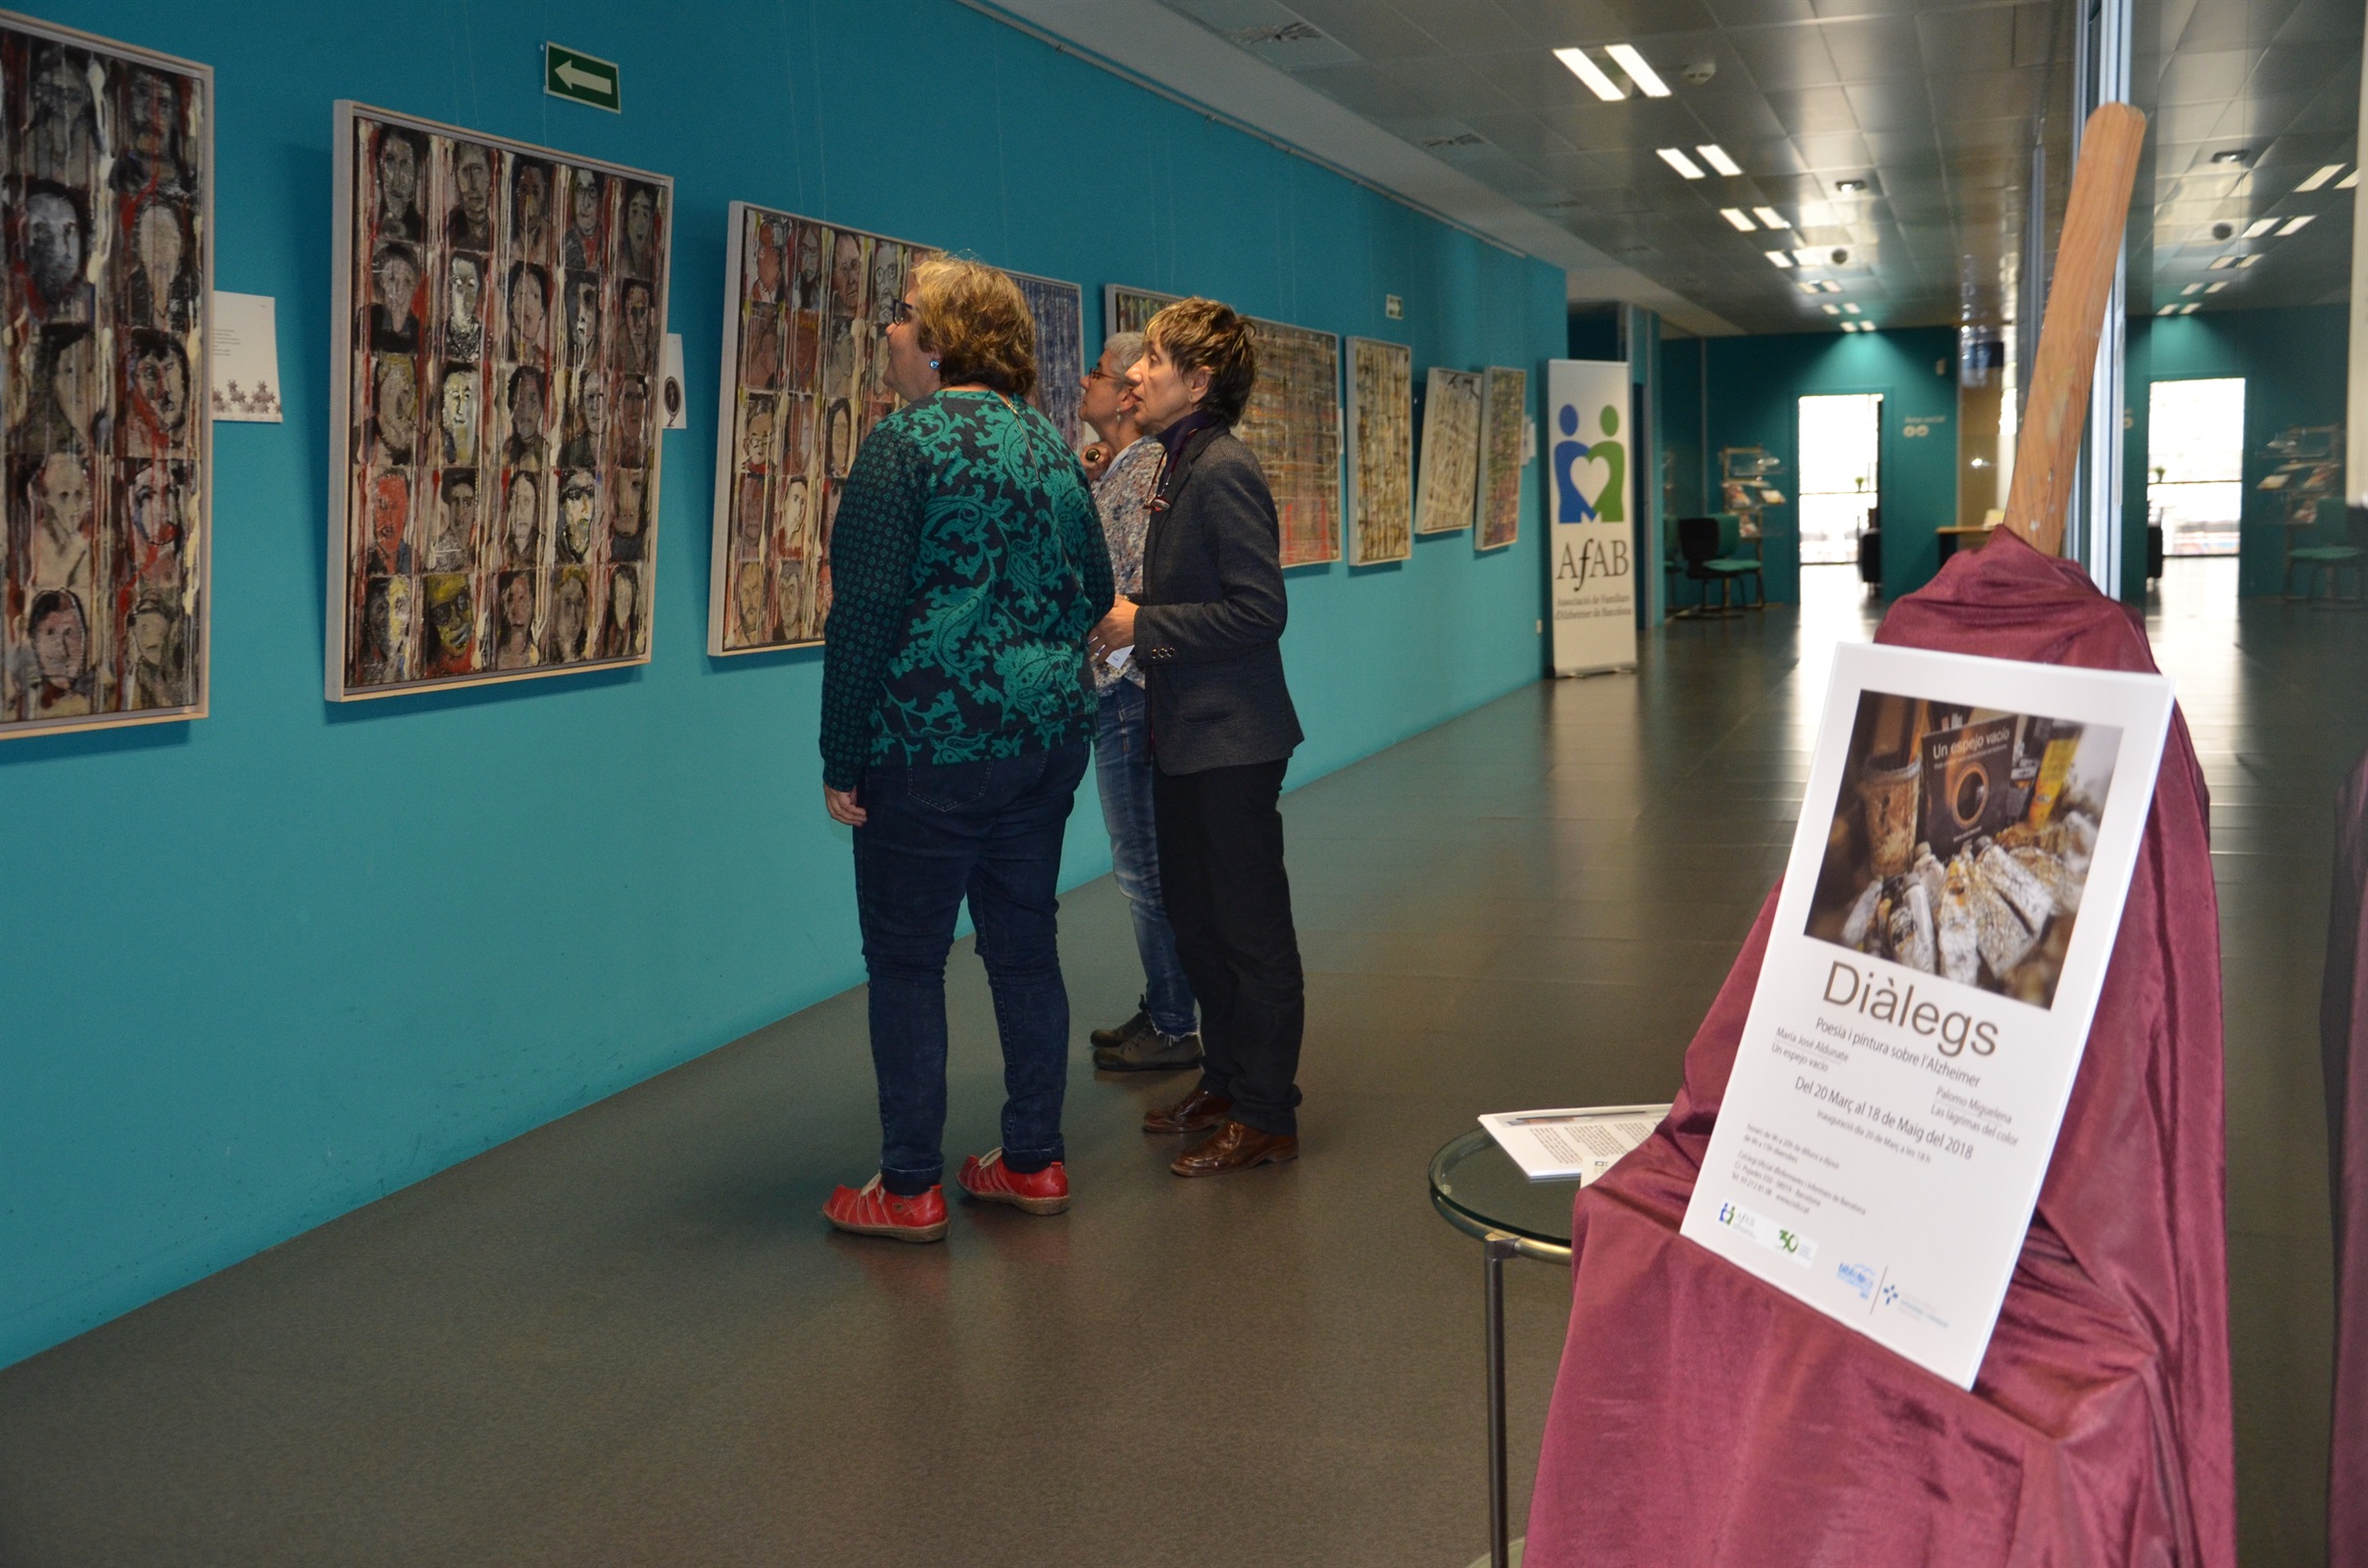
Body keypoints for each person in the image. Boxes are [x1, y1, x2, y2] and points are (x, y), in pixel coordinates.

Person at [817, 256, 1113, 1243]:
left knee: (906, 966)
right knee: (1023, 950)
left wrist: (840, 754)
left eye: (900, 319)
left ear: (941, 340)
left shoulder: (903, 447)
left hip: (926, 747)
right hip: (1041, 741)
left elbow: (861, 614)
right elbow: (1091, 586)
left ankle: (908, 1187)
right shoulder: (1050, 449)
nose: (889, 336)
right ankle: (1031, 1160)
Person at [1092, 297, 1306, 1178]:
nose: (1134, 373)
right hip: (1184, 735)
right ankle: (1222, 1080)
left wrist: (1144, 623)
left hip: (1233, 741)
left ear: (1199, 381)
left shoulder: (1220, 469)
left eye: (1152, 359)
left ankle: (1267, 1114)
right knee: (1196, 923)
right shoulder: (1175, 464)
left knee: (1248, 931)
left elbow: (1262, 612)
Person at [1074, 330, 1202, 1072]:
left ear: (1125, 394)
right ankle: (1164, 1002)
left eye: (1095, 374)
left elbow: (1146, 578)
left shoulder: (1150, 468)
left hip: (1132, 688)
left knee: (1143, 867)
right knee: (1143, 865)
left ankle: (1175, 1023)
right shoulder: (1119, 469)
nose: (1082, 386)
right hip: (1119, 687)